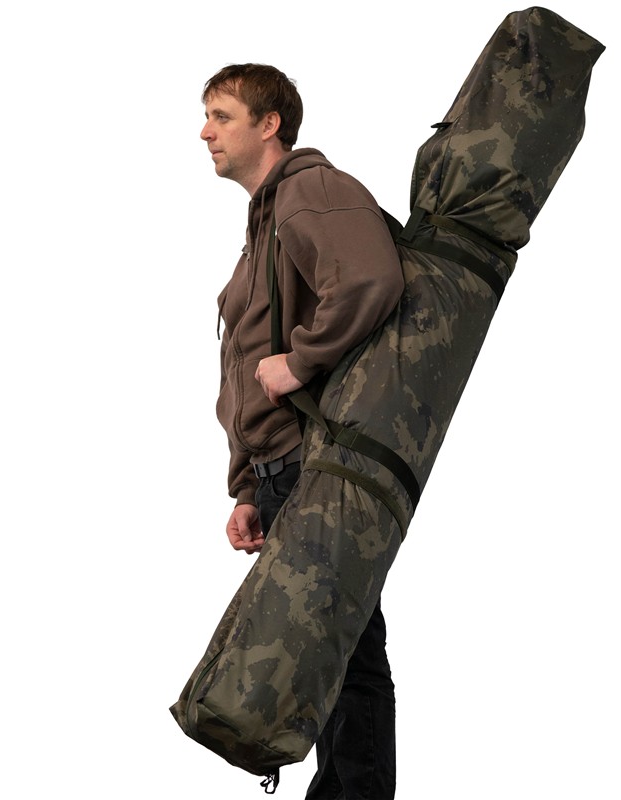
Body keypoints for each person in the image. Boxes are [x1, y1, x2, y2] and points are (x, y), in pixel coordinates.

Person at [199, 63, 404, 800]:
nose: (205, 132)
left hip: (312, 459)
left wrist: (303, 360)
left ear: (270, 124)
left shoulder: (308, 190)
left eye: (221, 115)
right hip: (282, 470)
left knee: (339, 650)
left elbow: (371, 279)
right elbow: (245, 360)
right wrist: (247, 487)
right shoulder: (265, 220)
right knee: (332, 646)